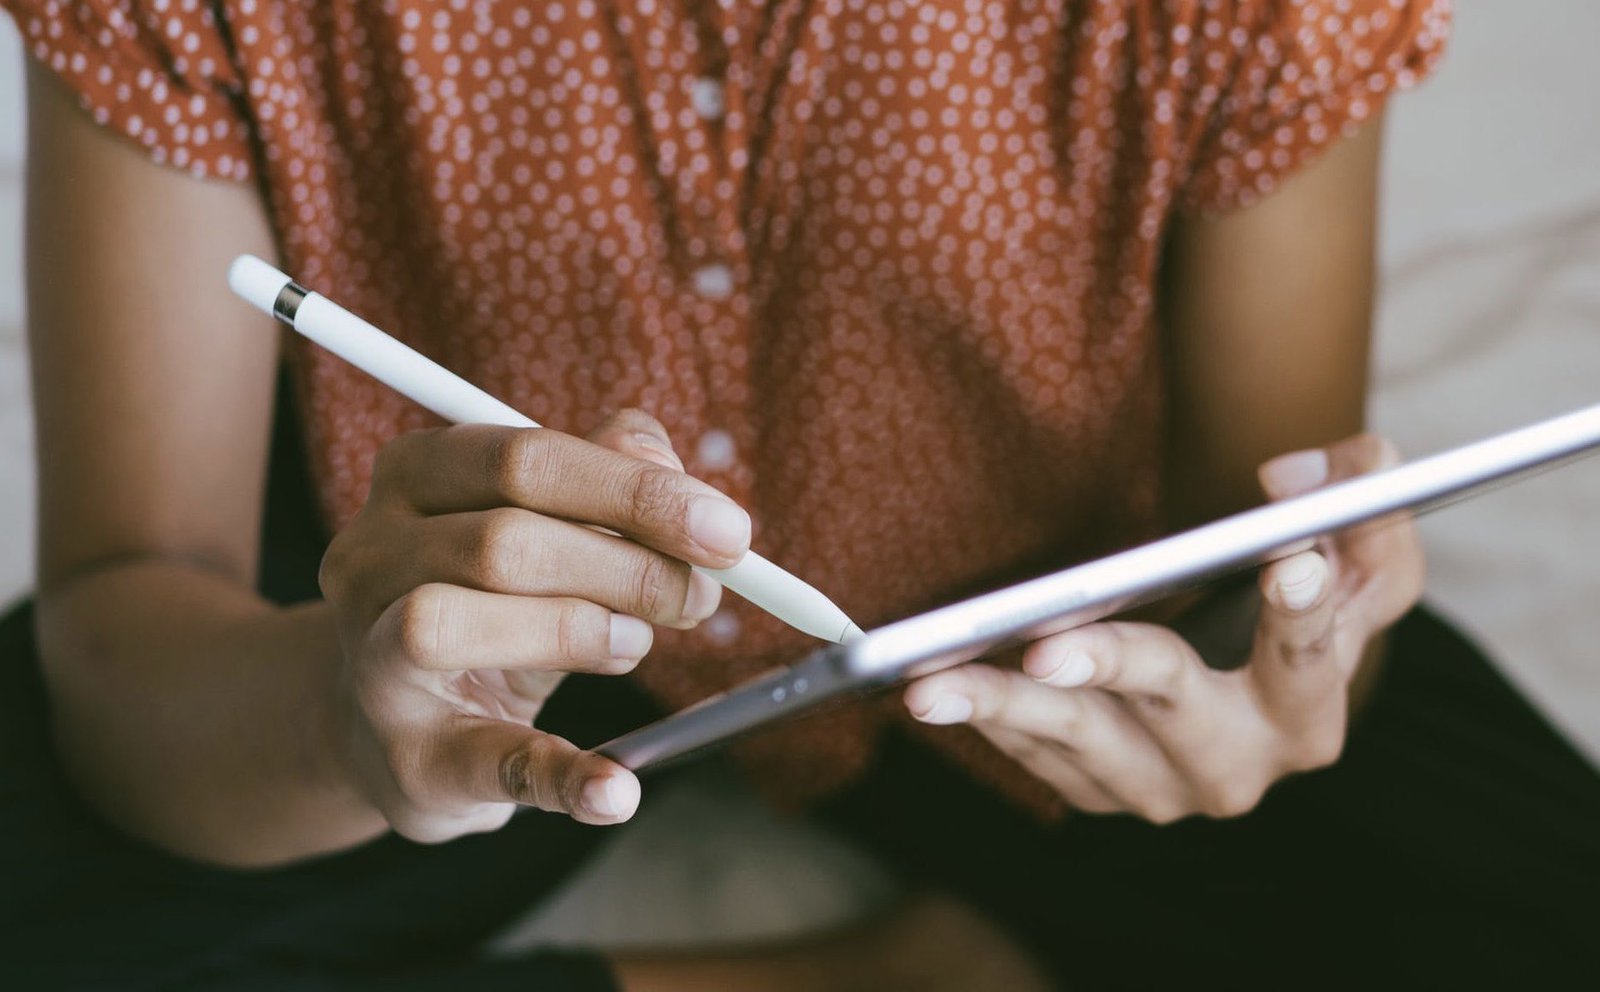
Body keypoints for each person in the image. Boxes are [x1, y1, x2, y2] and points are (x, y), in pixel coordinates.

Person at [3, 0, 1597, 988]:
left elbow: (1270, 564)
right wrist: (339, 732)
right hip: (444, 618)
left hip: (1045, 635)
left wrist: (1293, 671)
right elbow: (132, 595)